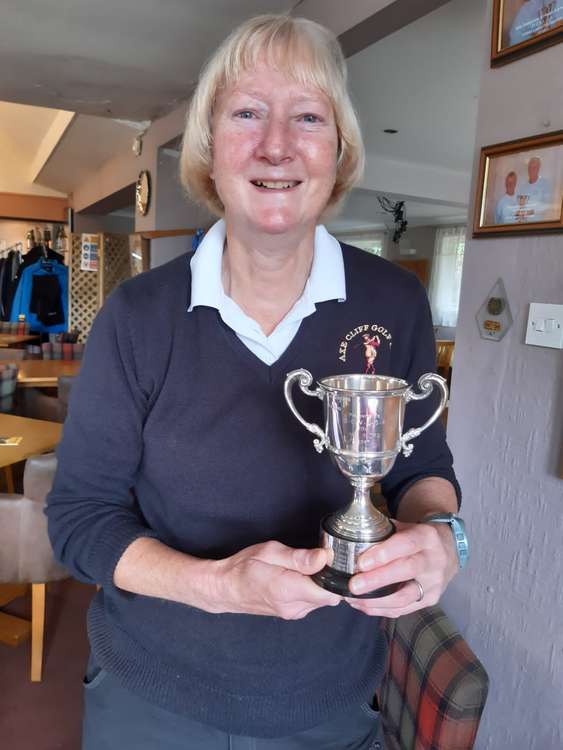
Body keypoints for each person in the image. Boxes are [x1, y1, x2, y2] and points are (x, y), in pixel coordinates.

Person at [46, 14, 464, 750]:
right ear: (210, 150)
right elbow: (79, 520)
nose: (277, 144)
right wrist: (219, 586)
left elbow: (421, 471)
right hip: (153, 699)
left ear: (339, 151)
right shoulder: (139, 315)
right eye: (247, 113)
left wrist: (438, 532)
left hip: (328, 703)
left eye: (307, 115)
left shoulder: (392, 303)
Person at [518, 156, 553, 221]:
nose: (531, 170)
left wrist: (531, 211)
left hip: (538, 225)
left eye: (534, 168)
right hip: (523, 224)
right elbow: (520, 206)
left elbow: (547, 206)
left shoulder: (545, 184)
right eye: (530, 168)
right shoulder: (522, 187)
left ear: (538, 169)